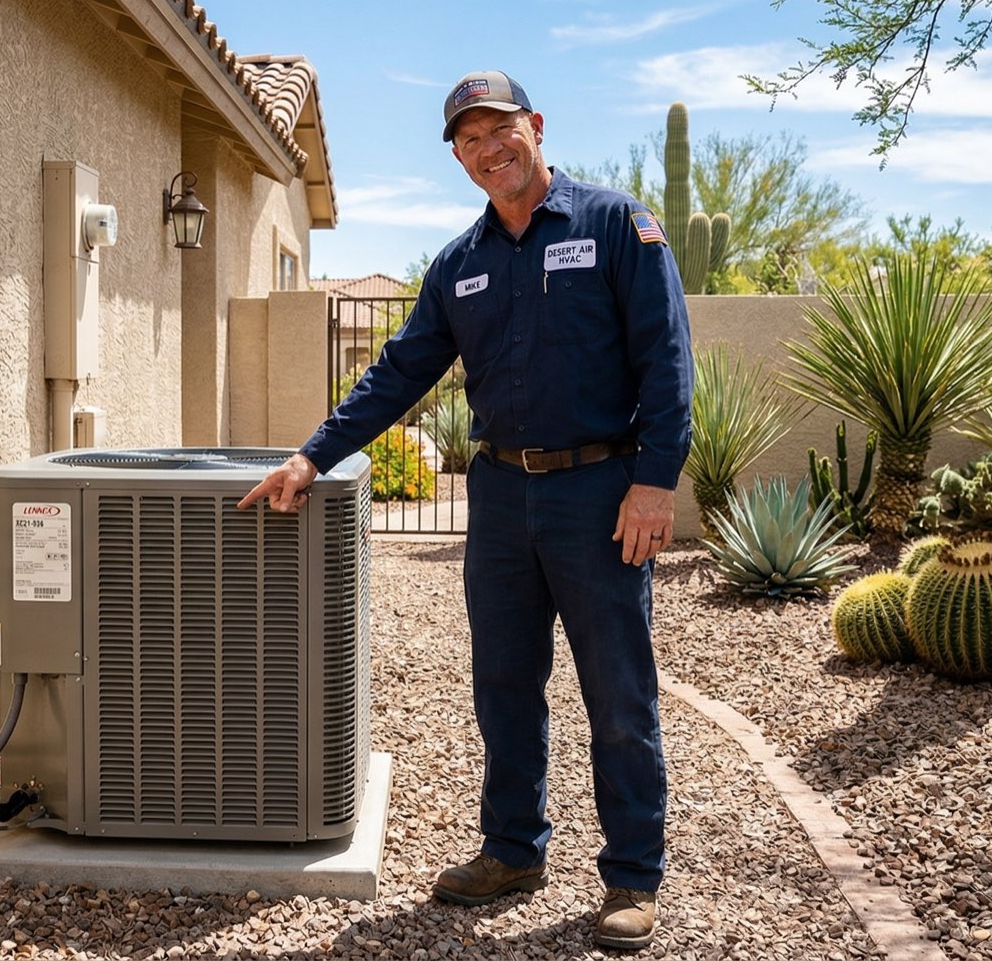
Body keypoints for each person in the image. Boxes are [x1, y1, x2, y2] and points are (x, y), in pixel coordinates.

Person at [239, 70, 693, 950]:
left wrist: (654, 479)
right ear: (458, 156)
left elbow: (667, 359)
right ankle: (514, 848)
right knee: (504, 684)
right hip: (499, 495)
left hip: (600, 493)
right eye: (469, 140)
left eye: (500, 130)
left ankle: (633, 872)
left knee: (618, 689)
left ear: (536, 125)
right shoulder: (460, 264)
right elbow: (397, 376)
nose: (489, 150)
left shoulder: (615, 226)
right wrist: (312, 454)